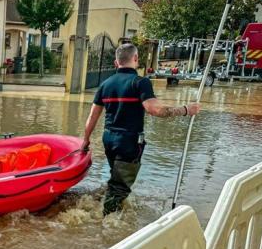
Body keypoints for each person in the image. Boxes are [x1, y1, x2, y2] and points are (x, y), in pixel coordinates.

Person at [81, 43, 200, 216]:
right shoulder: (140, 83)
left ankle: (107, 205)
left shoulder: (105, 85)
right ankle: (105, 221)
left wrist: (85, 140)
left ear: (116, 62)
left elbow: (92, 117)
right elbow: (155, 110)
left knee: (117, 180)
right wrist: (186, 110)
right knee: (120, 188)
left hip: (108, 140)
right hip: (129, 142)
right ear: (135, 59)